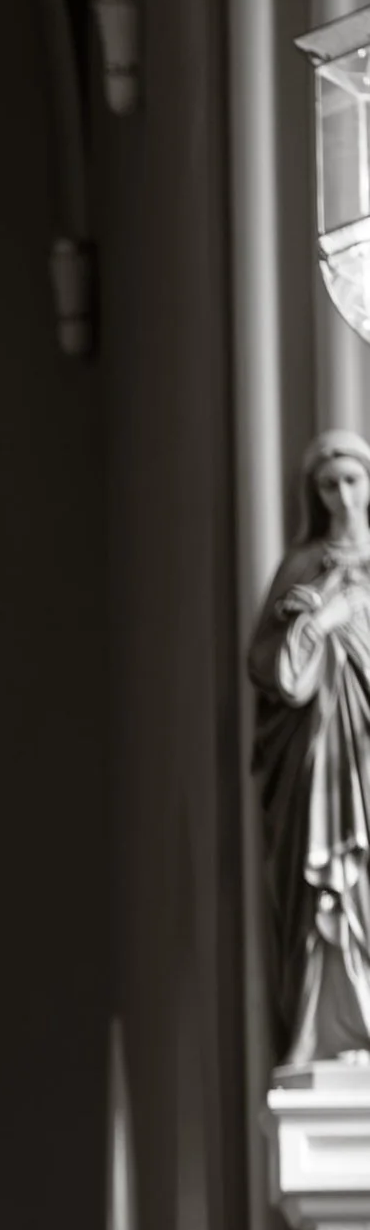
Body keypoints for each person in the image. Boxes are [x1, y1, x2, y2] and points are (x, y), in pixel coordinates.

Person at [249, 429, 370, 1066]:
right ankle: (329, 1028)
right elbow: (271, 673)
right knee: (330, 888)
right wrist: (318, 621)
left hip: (368, 755)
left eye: (352, 480)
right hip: (322, 759)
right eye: (329, 484)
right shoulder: (301, 568)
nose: (342, 495)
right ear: (314, 493)